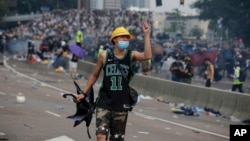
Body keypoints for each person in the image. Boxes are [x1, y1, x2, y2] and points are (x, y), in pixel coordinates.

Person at [76, 21, 151, 141]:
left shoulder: (131, 55)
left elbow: (147, 56)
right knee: (100, 135)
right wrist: (84, 93)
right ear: (114, 39)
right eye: (123, 37)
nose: (125, 40)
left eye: (127, 38)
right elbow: (94, 74)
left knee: (116, 138)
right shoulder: (104, 55)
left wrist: (146, 35)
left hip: (121, 104)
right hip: (104, 102)